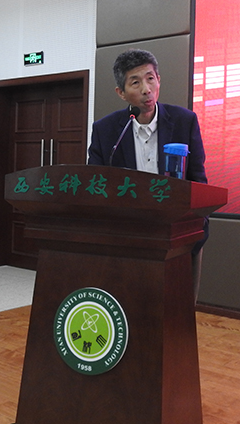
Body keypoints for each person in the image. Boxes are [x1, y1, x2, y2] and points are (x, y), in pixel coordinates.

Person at [88, 49, 208, 299]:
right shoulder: (106, 131)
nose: (146, 89)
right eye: (135, 82)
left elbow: (199, 182)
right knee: (132, 305)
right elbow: (95, 187)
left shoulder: (184, 121)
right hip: (128, 238)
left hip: (179, 235)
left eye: (150, 78)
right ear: (121, 93)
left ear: (159, 80)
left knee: (178, 308)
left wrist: (195, 226)